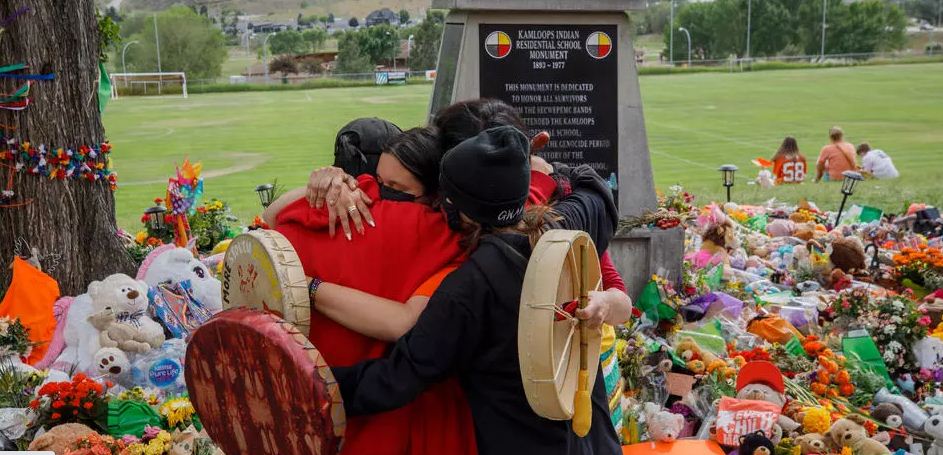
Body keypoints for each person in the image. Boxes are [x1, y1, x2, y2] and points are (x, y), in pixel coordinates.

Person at [331, 126, 622, 455]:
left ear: (458, 208)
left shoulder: (470, 287)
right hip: (595, 442)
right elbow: (595, 193)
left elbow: (397, 379)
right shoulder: (561, 230)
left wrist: (313, 382)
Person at [272, 127, 472, 455]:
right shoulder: (450, 239)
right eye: (378, 181)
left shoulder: (325, 210)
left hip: (316, 401)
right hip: (389, 410)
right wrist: (336, 180)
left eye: (396, 187)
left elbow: (263, 227)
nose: (380, 192)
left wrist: (305, 284)